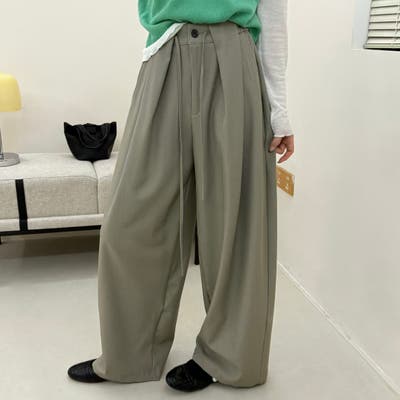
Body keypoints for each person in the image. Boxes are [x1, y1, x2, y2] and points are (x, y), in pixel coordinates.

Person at [67, 0, 294, 392]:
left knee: (235, 225)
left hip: (234, 58)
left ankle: (228, 358)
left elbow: (272, 14)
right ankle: (129, 354)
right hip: (164, 57)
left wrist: (280, 111)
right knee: (129, 222)